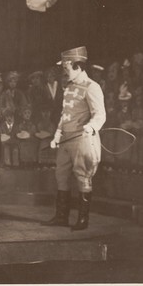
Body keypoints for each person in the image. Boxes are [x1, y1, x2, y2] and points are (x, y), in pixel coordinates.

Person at [43, 46, 106, 231]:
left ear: (77, 66)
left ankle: (82, 220)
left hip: (82, 140)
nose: (64, 72)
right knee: (61, 175)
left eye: (66, 68)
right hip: (65, 140)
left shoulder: (92, 87)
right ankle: (61, 216)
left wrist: (91, 127)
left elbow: (100, 114)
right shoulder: (69, 86)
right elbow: (65, 114)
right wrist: (57, 135)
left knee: (83, 177)